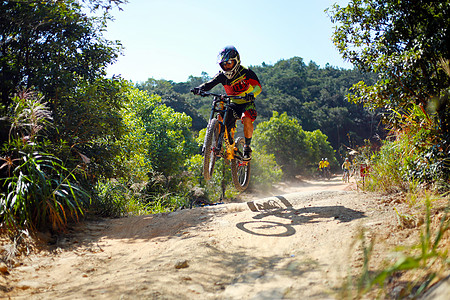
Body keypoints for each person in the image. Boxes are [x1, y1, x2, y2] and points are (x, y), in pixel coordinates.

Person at [192, 45, 262, 161]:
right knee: (220, 117)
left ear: (236, 61)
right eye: (223, 64)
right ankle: (222, 143)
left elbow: (258, 87)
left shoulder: (246, 72)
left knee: (246, 119)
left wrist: (252, 94)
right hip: (233, 103)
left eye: (229, 63)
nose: (226, 66)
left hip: (246, 102)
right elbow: (209, 84)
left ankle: (247, 147)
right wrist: (199, 89)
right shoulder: (222, 75)